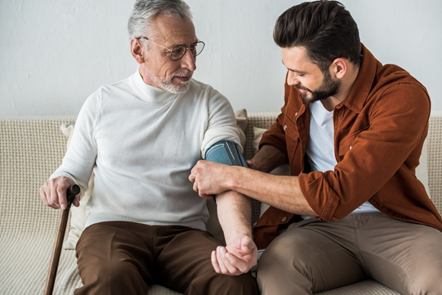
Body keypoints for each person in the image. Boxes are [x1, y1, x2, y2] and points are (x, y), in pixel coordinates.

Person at [189, 1, 442, 294]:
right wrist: (255, 166)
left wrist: (232, 176)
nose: (289, 79)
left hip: (395, 225)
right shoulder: (303, 87)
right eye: (288, 69)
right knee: (274, 275)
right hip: (317, 229)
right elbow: (284, 133)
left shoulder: (402, 97)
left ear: (338, 68)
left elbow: (338, 193)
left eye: (299, 72)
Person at [39, 0, 258, 294]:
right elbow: (73, 170)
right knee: (111, 281)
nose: (191, 63)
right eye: (176, 51)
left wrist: (238, 239)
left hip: (185, 234)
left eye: (193, 48)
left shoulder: (210, 103)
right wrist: (61, 180)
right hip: (112, 229)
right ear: (138, 50)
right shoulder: (101, 102)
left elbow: (229, 174)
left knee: (235, 284)